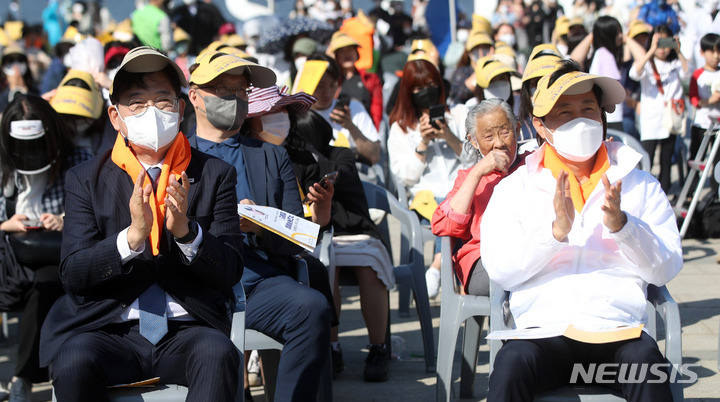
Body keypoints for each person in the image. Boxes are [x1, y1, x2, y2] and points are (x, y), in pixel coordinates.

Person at [39, 46, 244, 401]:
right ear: (116, 117)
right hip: (107, 328)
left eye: (163, 100)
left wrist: (187, 233)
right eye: (136, 102)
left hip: (186, 328)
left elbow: (229, 270)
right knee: (73, 359)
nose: (151, 111)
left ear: (181, 110)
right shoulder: (85, 178)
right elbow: (73, 273)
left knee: (217, 353)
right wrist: (131, 239)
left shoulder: (214, 174)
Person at [481, 59, 683, 401]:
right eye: (565, 113)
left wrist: (625, 228)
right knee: (511, 366)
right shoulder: (516, 188)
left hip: (618, 331)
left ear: (603, 117)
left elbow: (666, 267)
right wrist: (554, 234)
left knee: (647, 365)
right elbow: (501, 271)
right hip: (542, 333)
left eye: (588, 108)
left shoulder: (639, 183)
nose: (580, 121)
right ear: (540, 126)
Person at [185, 51, 331, 400]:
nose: (233, 100)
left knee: (312, 307)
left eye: (241, 91)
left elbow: (295, 234)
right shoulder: (176, 155)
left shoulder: (270, 154)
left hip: (258, 284)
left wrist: (259, 226)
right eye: (223, 90)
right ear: (195, 96)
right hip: (195, 285)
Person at [0, 94, 92, 402]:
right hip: (10, 261)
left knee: (44, 285)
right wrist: (7, 225)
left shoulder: (76, 159)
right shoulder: (4, 167)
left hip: (55, 258)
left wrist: (67, 220)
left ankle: (23, 377)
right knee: (38, 288)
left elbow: (92, 213)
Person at [291, 109, 394, 382]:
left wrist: (310, 153)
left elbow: (341, 176)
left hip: (355, 230)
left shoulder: (340, 154)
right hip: (318, 235)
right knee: (327, 269)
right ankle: (332, 348)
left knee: (369, 269)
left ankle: (378, 347)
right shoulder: (289, 159)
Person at [388, 58, 470, 299]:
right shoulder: (401, 128)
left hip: (462, 191)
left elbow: (475, 160)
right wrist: (422, 143)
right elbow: (405, 177)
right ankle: (450, 276)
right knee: (452, 210)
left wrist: (448, 136)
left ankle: (436, 265)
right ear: (408, 92)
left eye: (432, 85)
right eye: (418, 89)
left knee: (459, 205)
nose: (427, 93)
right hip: (426, 199)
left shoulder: (458, 115)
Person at [432, 98, 526, 297]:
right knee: (512, 276)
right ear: (474, 141)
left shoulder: (533, 164)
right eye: (488, 136)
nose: (499, 143)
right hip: (484, 259)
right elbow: (442, 225)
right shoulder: (469, 178)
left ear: (517, 130)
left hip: (529, 252)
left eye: (505, 132)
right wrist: (478, 172)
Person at [628, 24, 688, 194]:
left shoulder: (675, 63)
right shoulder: (647, 63)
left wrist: (679, 51)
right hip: (651, 118)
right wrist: (651, 49)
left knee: (667, 158)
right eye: (659, 42)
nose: (662, 48)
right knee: (648, 155)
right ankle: (646, 191)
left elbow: (687, 74)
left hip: (670, 118)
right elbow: (634, 73)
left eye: (665, 42)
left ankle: (665, 190)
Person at [307, 53, 382, 176]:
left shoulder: (353, 108)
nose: (327, 92)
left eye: (332, 85)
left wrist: (351, 126)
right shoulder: (300, 117)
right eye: (320, 86)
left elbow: (374, 155)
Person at [571, 15, 627, 131]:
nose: (621, 36)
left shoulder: (600, 54)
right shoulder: (606, 55)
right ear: (606, 35)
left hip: (605, 116)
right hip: (612, 117)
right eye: (616, 33)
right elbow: (613, 89)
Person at [327, 31, 383, 130]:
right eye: (342, 51)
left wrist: (374, 132)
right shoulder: (331, 80)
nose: (347, 54)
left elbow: (377, 109)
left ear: (356, 53)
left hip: (365, 130)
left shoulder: (370, 78)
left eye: (350, 50)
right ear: (336, 56)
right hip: (337, 130)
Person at [688, 33, 720, 196]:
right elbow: (694, 100)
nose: (716, 56)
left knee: (718, 163)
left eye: (718, 51)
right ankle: (690, 192)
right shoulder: (697, 75)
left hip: (719, 128)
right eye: (711, 51)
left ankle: (715, 194)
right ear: (702, 53)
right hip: (702, 124)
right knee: (696, 160)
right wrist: (709, 100)